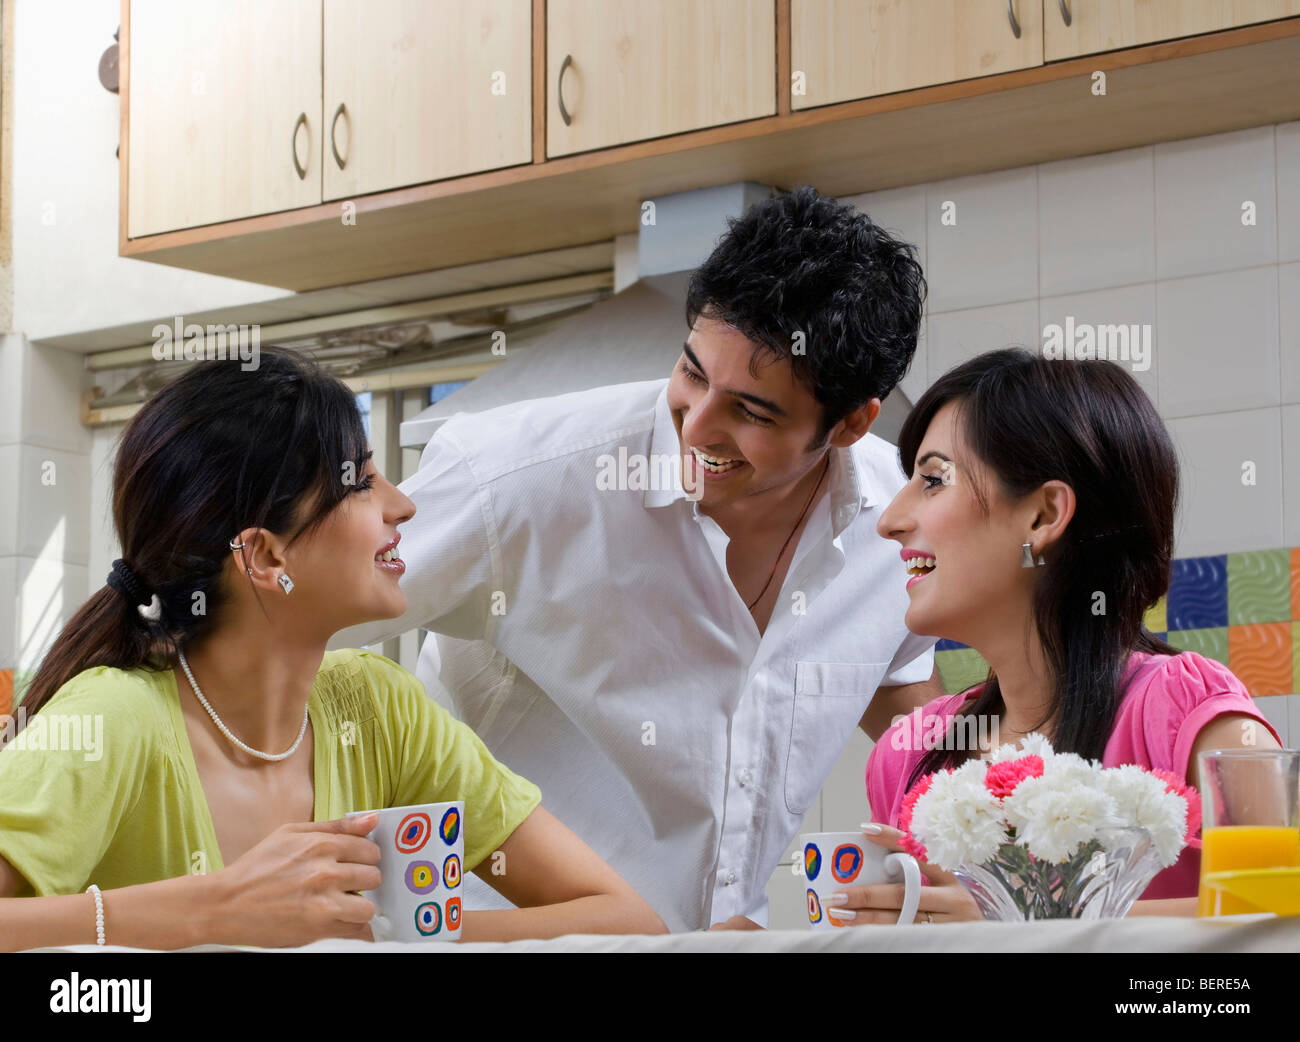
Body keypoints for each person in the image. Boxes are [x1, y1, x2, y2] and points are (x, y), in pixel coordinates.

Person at [335, 185, 945, 931]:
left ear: (851, 423)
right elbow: (289, 623)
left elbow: (916, 728)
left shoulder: (897, 527)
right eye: (693, 374)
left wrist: (964, 861)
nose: (697, 430)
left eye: (751, 411)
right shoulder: (521, 482)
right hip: (496, 945)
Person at [0, 347, 666, 951]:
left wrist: (370, 941)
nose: (401, 505)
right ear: (265, 555)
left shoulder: (379, 710)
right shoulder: (115, 720)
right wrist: (215, 910)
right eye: (359, 483)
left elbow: (625, 921)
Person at [833, 348, 1281, 925]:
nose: (890, 520)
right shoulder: (908, 755)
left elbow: (1282, 914)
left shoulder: (1186, 715)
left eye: (933, 480)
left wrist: (1019, 919)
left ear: (1043, 517)